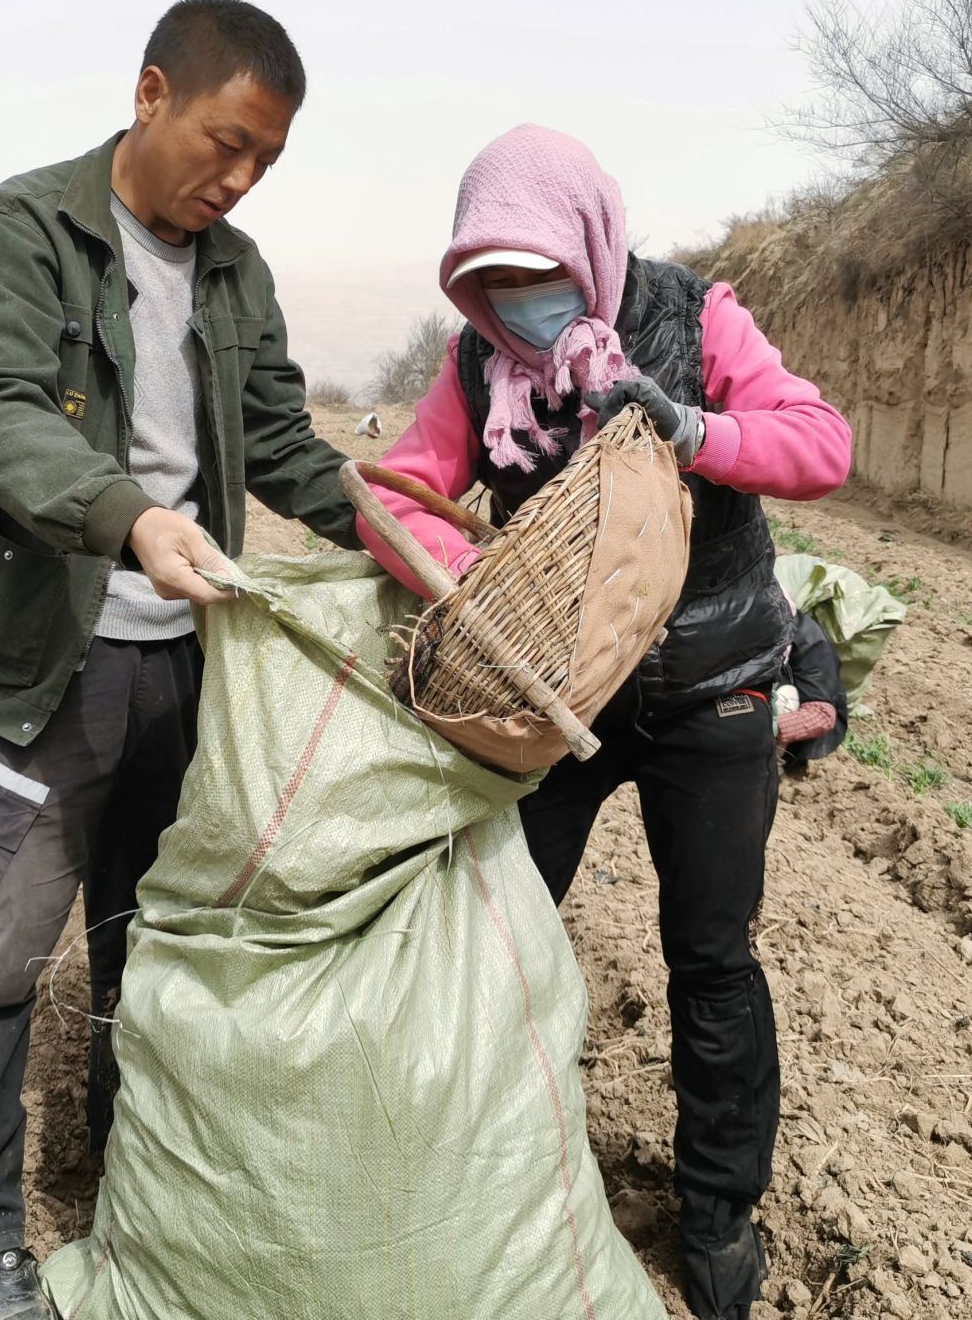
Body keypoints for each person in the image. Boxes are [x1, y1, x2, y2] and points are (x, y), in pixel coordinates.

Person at [0, 0, 361, 1320]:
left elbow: (275, 439)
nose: (240, 177)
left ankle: (131, 1174)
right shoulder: (22, 229)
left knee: (148, 945)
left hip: (177, 670)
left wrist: (382, 521)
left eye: (266, 158)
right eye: (227, 141)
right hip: (25, 671)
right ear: (152, 93)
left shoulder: (236, 272)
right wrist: (132, 518)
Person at [356, 125, 852, 1320]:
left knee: (710, 956)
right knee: (499, 940)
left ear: (588, 245)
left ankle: (717, 1209)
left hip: (714, 686)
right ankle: (485, 1172)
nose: (516, 303)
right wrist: (460, 580)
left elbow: (820, 443)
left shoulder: (692, 315)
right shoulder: (477, 364)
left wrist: (696, 431)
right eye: (488, 281)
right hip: (555, 702)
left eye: (535, 274)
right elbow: (393, 494)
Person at [776, 607, 849, 776]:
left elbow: (821, 714)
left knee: (783, 697)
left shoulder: (810, 643)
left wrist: (764, 727)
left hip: (794, 731)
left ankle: (767, 766)